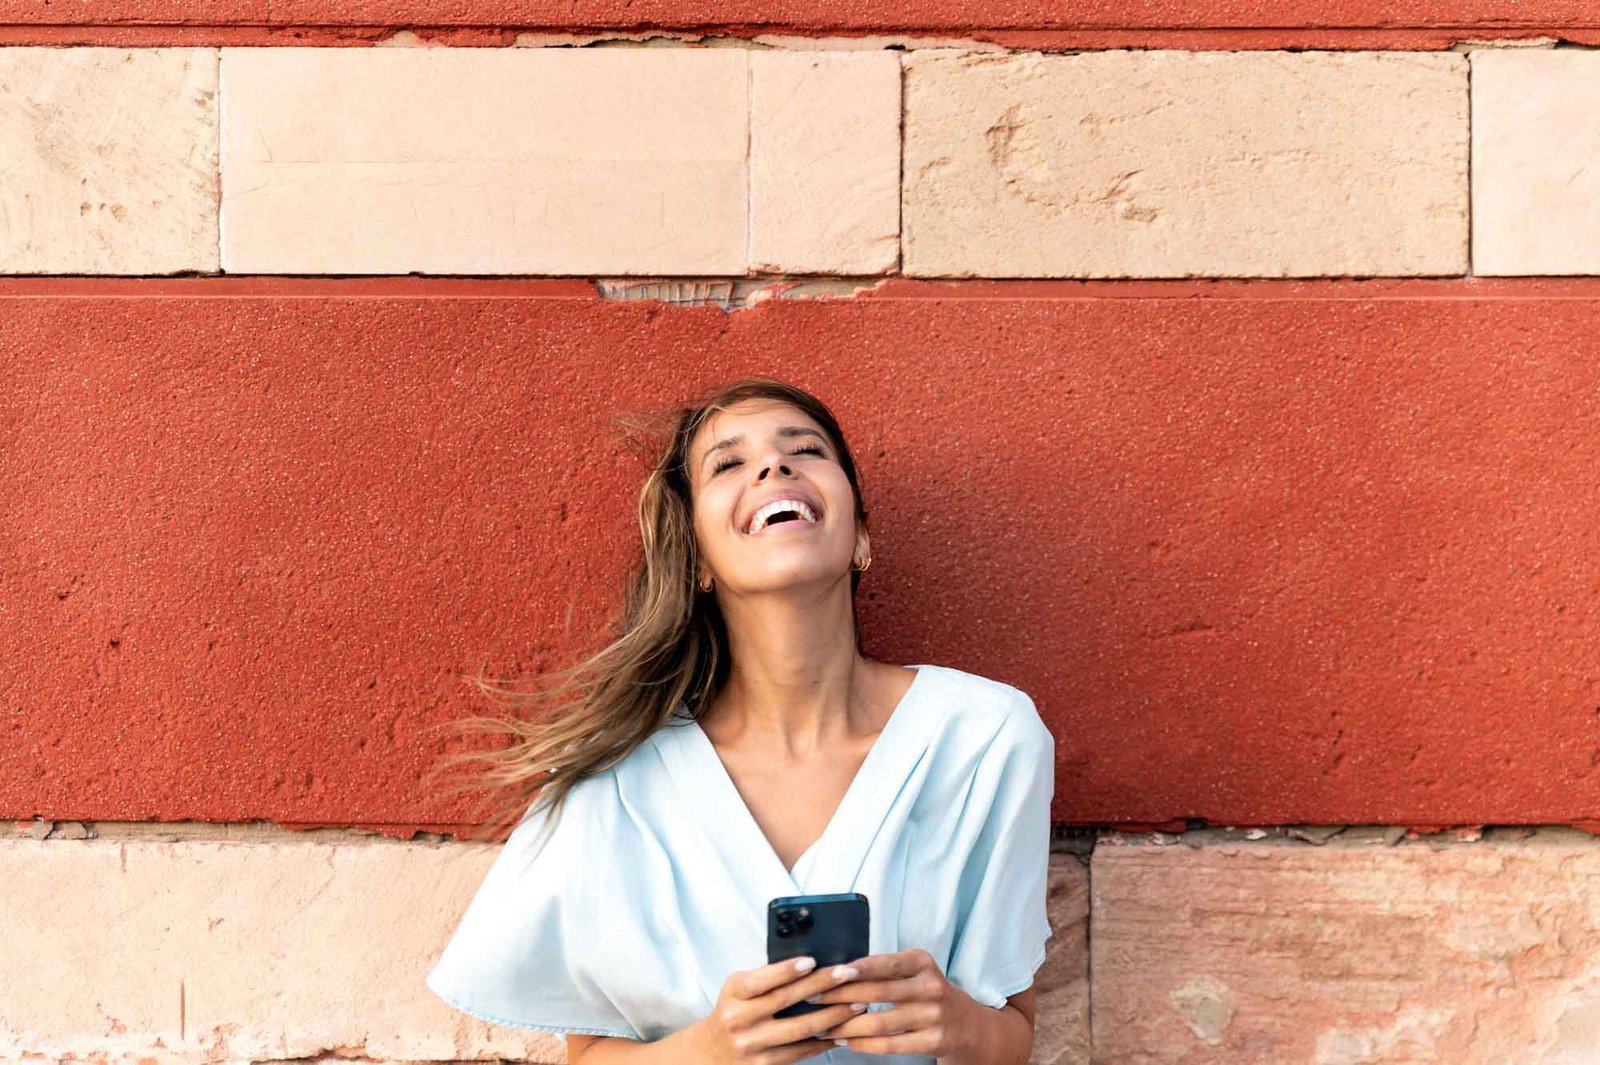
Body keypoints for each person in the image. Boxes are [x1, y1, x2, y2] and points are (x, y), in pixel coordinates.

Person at [423, 377, 1056, 1064]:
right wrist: (714, 1046)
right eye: (728, 463)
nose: (773, 467)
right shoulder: (617, 777)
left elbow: (1012, 1033)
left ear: (862, 537)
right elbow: (588, 1056)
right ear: (695, 558)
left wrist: (956, 1025)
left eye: (805, 450)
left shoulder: (986, 738)